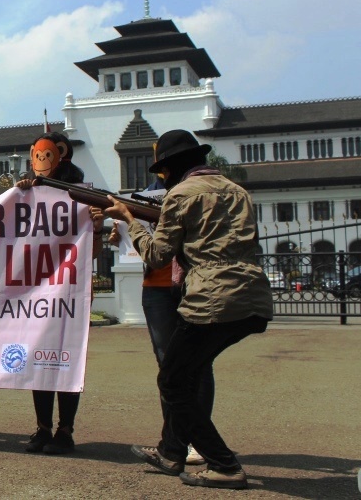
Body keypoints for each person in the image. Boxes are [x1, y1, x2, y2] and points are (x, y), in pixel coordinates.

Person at [104, 129, 273, 490]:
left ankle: (224, 464)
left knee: (173, 380)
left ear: (170, 168)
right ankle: (170, 451)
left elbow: (156, 255)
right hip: (253, 295)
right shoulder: (238, 191)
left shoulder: (180, 195)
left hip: (212, 296)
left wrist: (129, 219)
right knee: (189, 371)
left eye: (163, 172)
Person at [112, 173, 210, 467]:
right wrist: (121, 234)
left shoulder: (197, 193)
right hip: (155, 285)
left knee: (198, 363)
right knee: (168, 366)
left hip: (189, 283)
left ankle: (197, 440)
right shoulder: (148, 194)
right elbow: (140, 245)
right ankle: (174, 442)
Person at [14, 132, 103, 455]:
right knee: (38, 355)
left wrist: (95, 225)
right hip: (35, 292)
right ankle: (42, 427)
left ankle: (65, 430)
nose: (41, 162)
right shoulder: (28, 194)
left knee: (66, 357)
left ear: (60, 155)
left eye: (47, 155)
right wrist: (18, 194)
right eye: (36, 155)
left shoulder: (79, 196)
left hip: (68, 292)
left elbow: (93, 252)